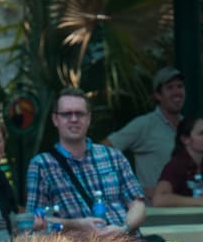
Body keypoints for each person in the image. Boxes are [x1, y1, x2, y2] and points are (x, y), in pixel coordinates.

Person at [27, 88, 147, 234]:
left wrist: (124, 229)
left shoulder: (114, 156)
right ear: (55, 119)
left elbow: (137, 204)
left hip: (126, 241)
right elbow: (34, 221)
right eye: (66, 114)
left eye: (79, 113)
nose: (74, 119)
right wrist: (77, 225)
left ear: (88, 118)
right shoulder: (41, 165)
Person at [105, 66, 186, 198]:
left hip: (188, 205)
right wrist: (133, 188)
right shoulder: (144, 124)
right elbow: (104, 150)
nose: (176, 92)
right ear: (158, 95)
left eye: (180, 86)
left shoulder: (189, 125)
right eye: (170, 87)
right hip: (154, 208)